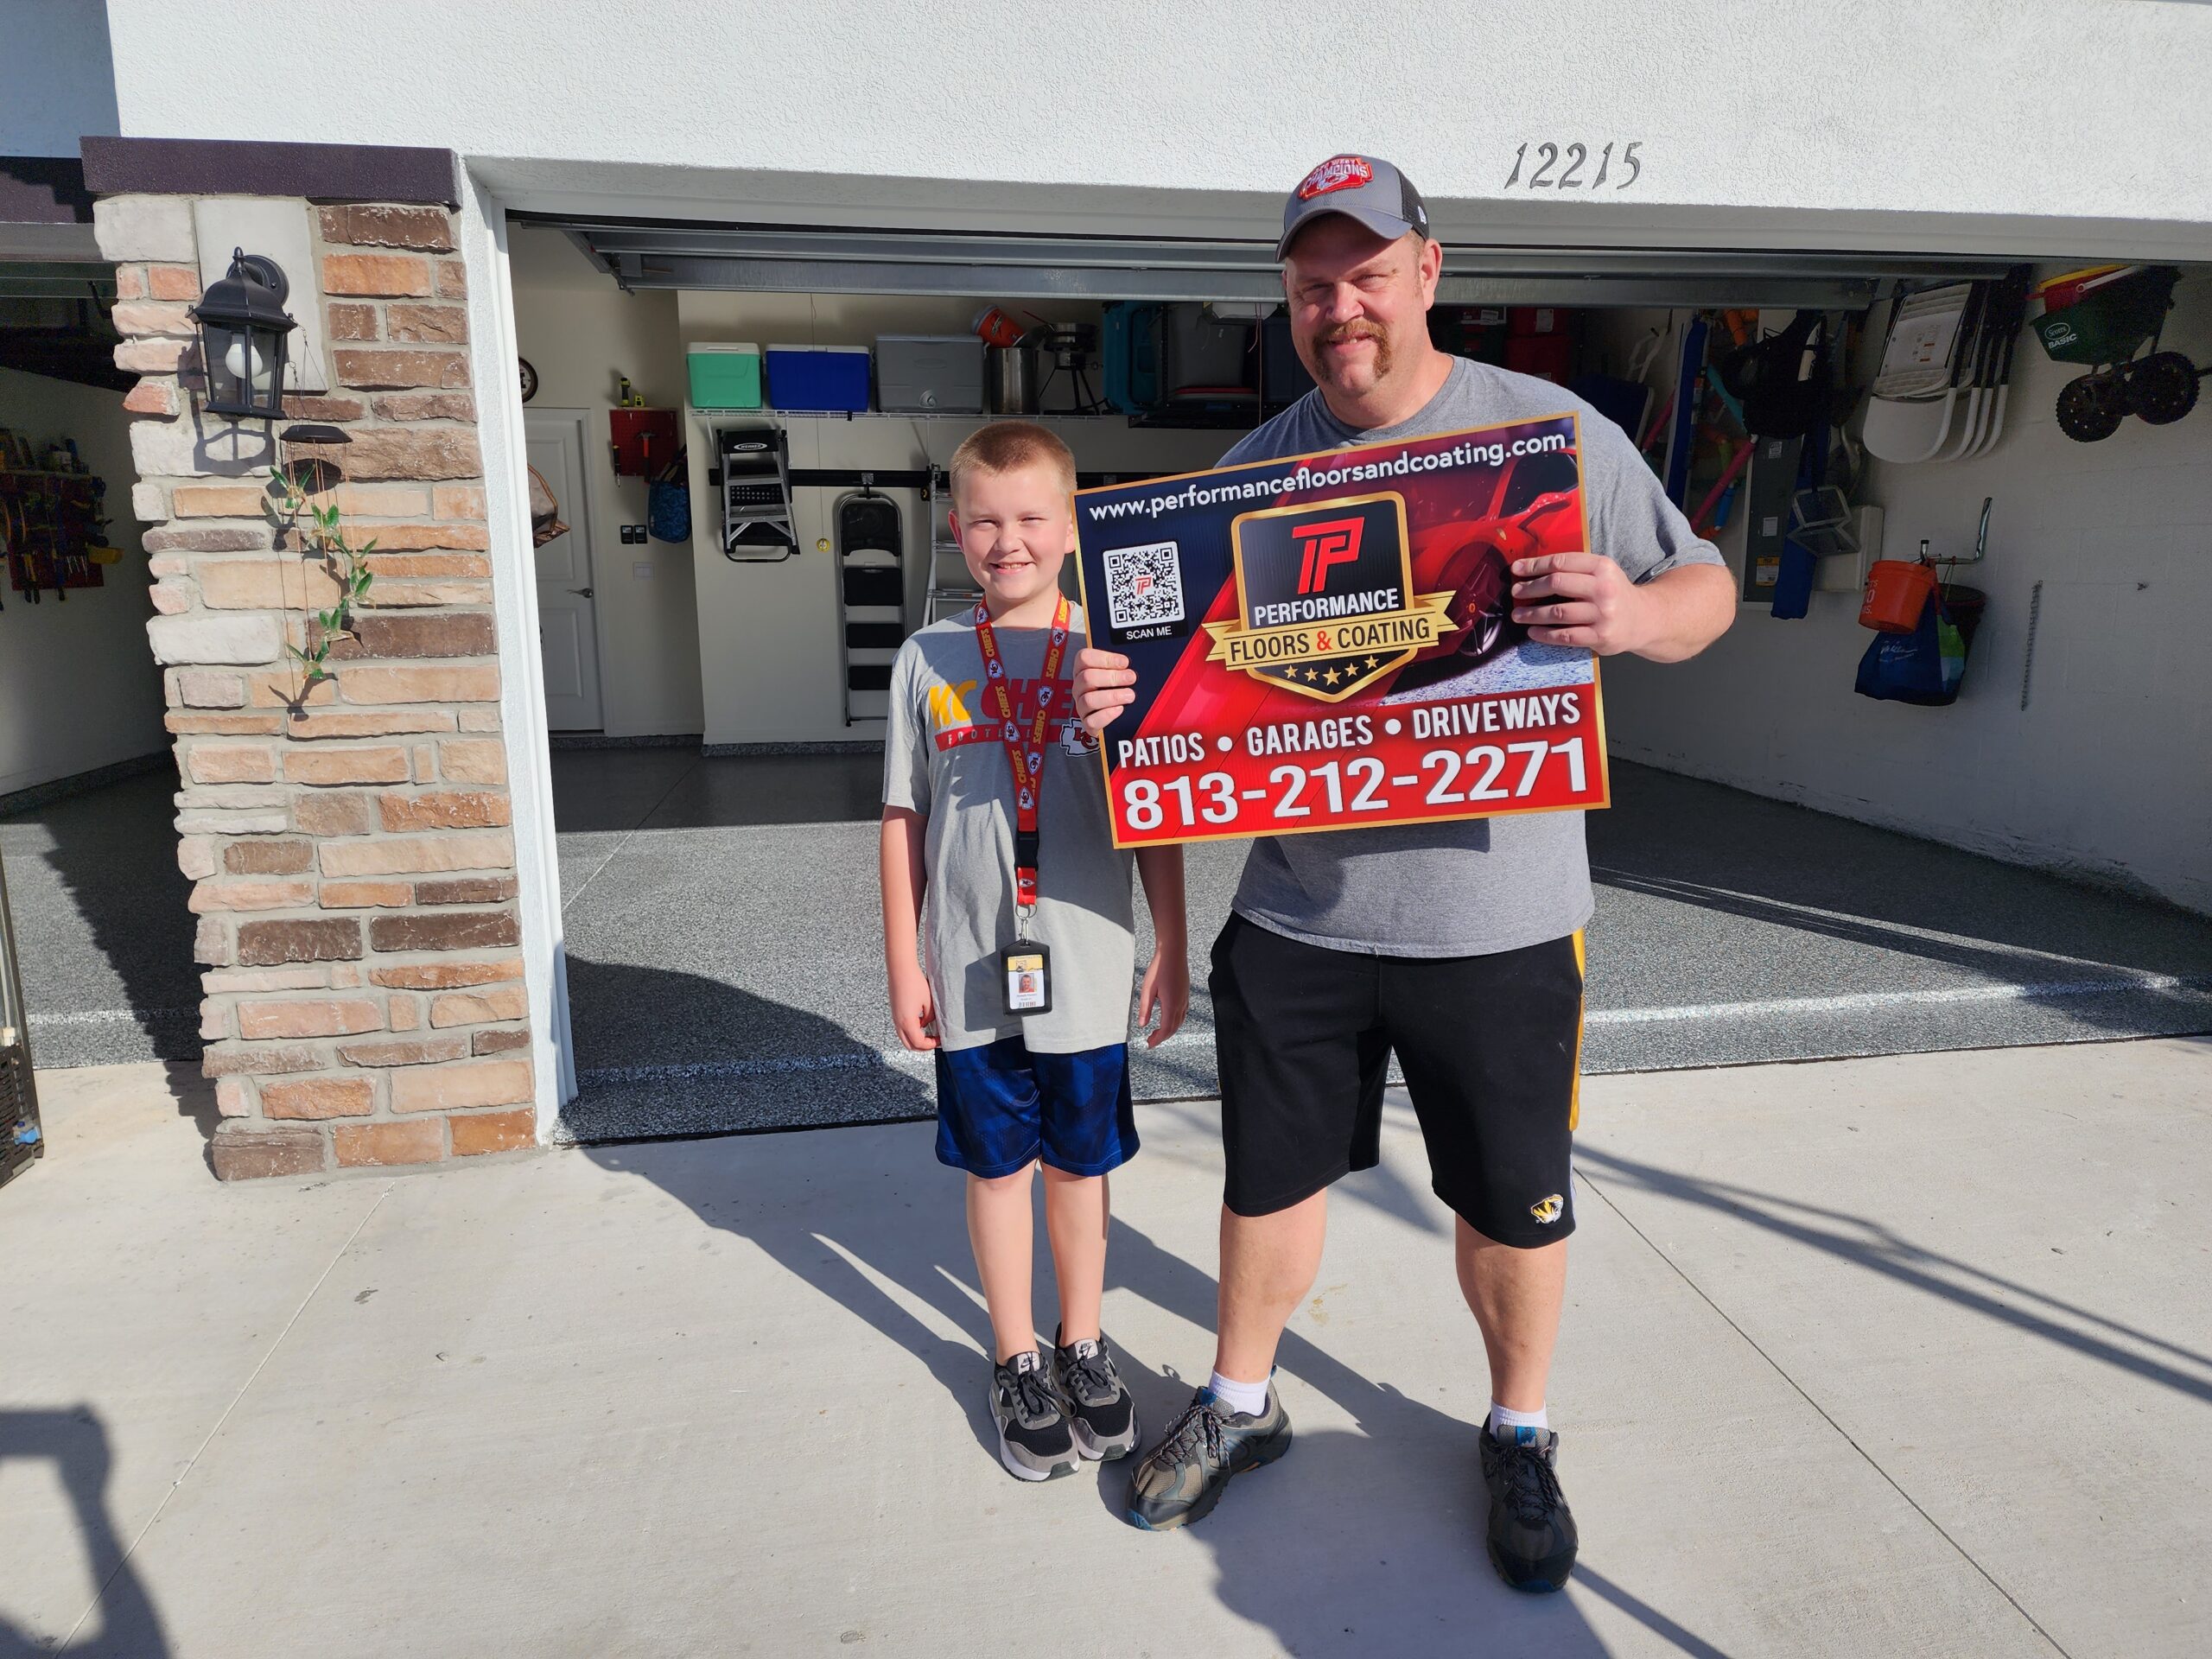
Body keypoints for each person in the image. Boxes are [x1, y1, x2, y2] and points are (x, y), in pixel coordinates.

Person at [1076, 156, 1736, 1586]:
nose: (1341, 309)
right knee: (1265, 1184)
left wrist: (1634, 610)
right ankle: (1242, 1407)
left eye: (1367, 274)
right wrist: (1116, 697)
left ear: (1429, 270)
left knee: (1509, 1198)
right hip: (1302, 914)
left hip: (1500, 924)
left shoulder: (1549, 435)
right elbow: (1169, 703)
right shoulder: (1246, 477)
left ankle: (1517, 1430)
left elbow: (1712, 588)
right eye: (1313, 286)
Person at [882, 419, 1192, 1483]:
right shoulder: (924, 659)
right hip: (970, 967)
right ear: (956, 529)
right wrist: (901, 958)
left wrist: (1173, 942)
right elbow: (901, 818)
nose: (1005, 540)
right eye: (982, 520)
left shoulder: (1110, 658)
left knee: (1080, 1160)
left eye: (1029, 519)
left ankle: (1083, 1341)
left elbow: (1156, 806)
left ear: (1069, 526)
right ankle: (1015, 1352)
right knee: (997, 1163)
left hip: (1091, 960)